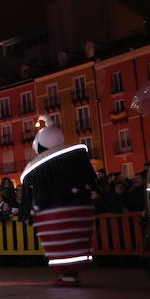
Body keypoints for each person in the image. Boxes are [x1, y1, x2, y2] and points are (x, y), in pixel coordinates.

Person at [19, 116, 97, 287]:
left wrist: (33, 208)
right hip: (80, 206)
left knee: (62, 239)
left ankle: (68, 274)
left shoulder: (39, 171)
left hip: (53, 211)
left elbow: (34, 193)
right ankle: (72, 272)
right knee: (76, 238)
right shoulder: (75, 161)